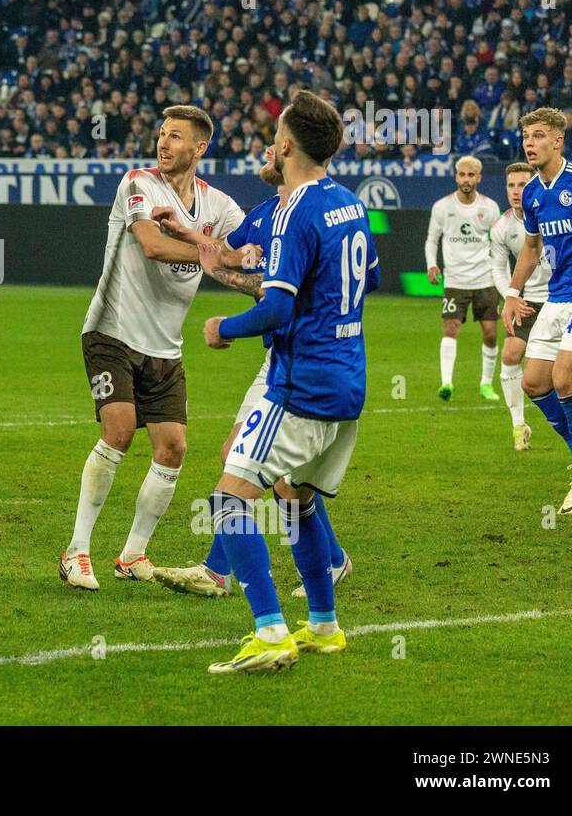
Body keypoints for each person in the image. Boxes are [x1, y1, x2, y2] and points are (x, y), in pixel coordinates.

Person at [201, 90, 379, 674]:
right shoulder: (348, 203)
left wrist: (222, 326)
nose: (271, 142)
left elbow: (276, 311)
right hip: (349, 378)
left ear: (288, 144)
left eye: (276, 133)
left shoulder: (293, 210)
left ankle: (271, 630)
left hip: (301, 383)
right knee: (296, 498)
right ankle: (324, 626)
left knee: (230, 499)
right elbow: (368, 280)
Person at [60, 105, 245, 592]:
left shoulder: (221, 207)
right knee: (119, 431)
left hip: (165, 347)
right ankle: (76, 551)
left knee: (173, 448)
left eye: (176, 137)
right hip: (112, 331)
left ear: (199, 148)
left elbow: (247, 255)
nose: (163, 143)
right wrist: (216, 253)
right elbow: (153, 246)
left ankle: (131, 554)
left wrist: (252, 281)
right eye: (161, 134)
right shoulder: (137, 183)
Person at [157, 144, 350, 600]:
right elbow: (226, 254)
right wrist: (187, 234)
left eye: (274, 145)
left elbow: (270, 292)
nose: (266, 152)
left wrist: (224, 321)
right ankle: (323, 566)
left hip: (306, 360)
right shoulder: (265, 213)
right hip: (280, 359)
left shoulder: (306, 216)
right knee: (254, 465)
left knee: (274, 476)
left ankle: (252, 587)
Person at [503, 107, 572, 515]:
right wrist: (512, 290)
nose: (530, 142)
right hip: (557, 298)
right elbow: (531, 246)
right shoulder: (532, 194)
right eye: (527, 135)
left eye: (539, 135)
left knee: (565, 379)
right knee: (535, 383)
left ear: (558, 141)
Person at [425, 156, 500, 400]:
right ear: (456, 176)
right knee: (451, 327)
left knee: (490, 333)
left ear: (479, 178)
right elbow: (432, 239)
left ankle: (486, 384)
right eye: (462, 174)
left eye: (471, 175)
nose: (466, 179)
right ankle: (446, 383)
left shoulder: (490, 207)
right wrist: (432, 265)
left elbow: (498, 244)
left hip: (484, 278)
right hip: (455, 280)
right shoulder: (442, 207)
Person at [490, 163, 552, 450]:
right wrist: (511, 297)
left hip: (562, 297)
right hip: (528, 301)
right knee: (511, 354)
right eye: (511, 185)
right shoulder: (502, 227)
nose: (517, 191)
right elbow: (498, 269)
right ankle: (518, 425)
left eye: (523, 185)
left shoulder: (552, 214)